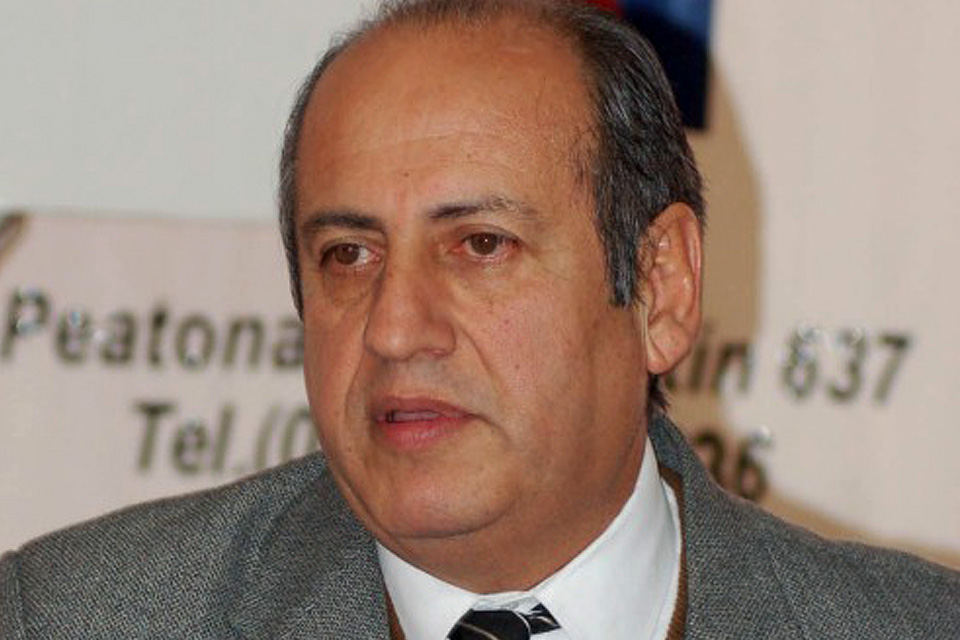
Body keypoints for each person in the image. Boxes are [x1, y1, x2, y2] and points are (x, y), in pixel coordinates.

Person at [2, 1, 958, 638]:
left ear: (660, 288)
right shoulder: (72, 619)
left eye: (480, 245)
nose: (394, 329)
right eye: (349, 255)